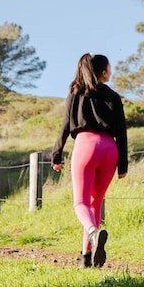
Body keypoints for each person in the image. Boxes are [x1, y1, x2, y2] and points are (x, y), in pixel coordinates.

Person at [51, 53, 128, 268]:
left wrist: (57, 154)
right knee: (96, 203)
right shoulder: (113, 96)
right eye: (110, 68)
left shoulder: (76, 91)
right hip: (109, 149)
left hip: (85, 147)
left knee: (81, 203)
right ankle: (86, 256)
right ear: (103, 72)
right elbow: (122, 132)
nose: (111, 71)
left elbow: (66, 124)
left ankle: (93, 233)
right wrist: (123, 165)